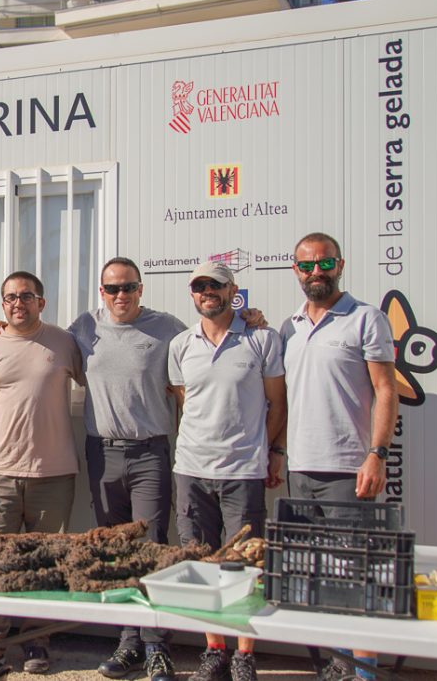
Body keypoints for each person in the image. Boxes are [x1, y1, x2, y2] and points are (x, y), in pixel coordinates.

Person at [279, 233, 397, 681]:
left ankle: (363, 672)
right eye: (306, 266)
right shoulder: (290, 326)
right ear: (295, 270)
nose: (316, 273)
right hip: (301, 467)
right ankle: (339, 664)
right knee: (323, 577)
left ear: (340, 265)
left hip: (349, 468)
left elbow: (386, 389)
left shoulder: (366, 319)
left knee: (358, 575)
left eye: (324, 265)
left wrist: (377, 454)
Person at [0, 271, 84, 675]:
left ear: (41, 302)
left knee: (44, 563)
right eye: (10, 297)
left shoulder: (64, 342)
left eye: (26, 296)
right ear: (2, 304)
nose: (17, 304)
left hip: (54, 474)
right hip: (0, 475)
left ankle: (35, 643)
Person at [68, 257, 187, 681]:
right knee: (115, 551)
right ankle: (128, 642)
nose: (121, 295)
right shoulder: (83, 327)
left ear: (141, 289)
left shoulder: (168, 328)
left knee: (151, 548)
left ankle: (157, 647)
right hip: (102, 453)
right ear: (101, 292)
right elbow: (37, 345)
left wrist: (249, 317)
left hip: (149, 452)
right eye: (112, 289)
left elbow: (211, 342)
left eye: (128, 287)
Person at [168, 262, 286, 681]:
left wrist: (269, 450)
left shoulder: (262, 339)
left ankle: (244, 654)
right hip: (192, 469)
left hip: (243, 471)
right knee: (201, 564)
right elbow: (187, 401)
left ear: (232, 289)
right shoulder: (181, 344)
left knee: (243, 566)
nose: (207, 292)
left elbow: (278, 404)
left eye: (215, 285)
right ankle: (214, 651)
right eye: (199, 286)